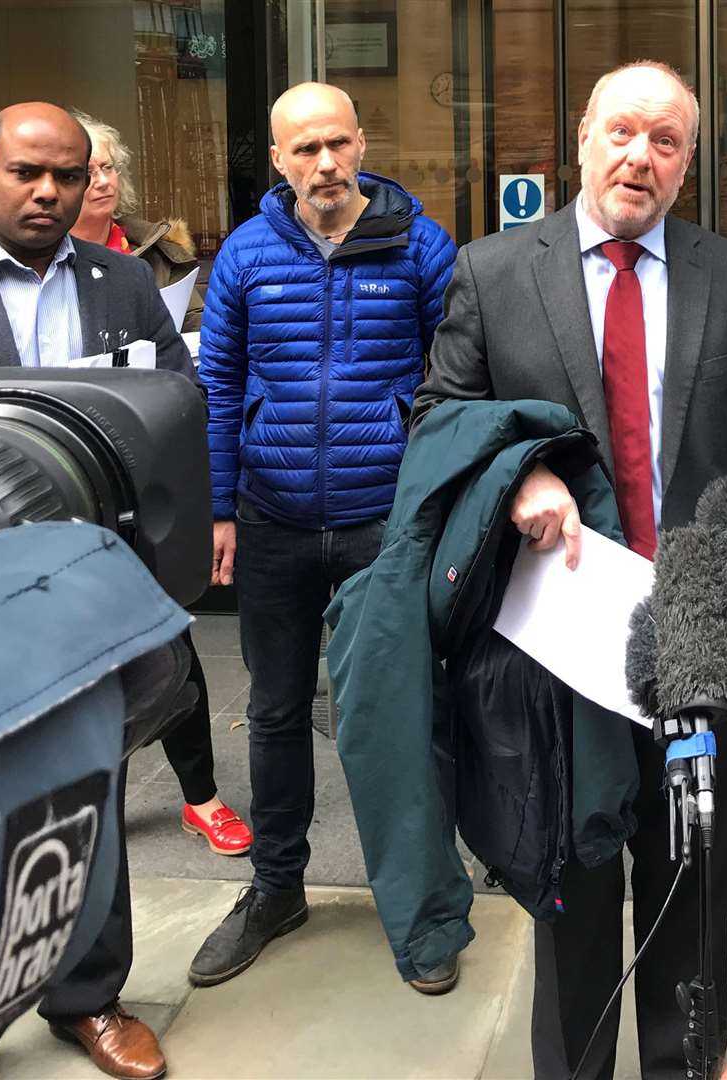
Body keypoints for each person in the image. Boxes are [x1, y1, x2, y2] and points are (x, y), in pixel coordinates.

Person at [414, 60, 727, 1078]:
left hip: (695, 652)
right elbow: (436, 422)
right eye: (623, 131)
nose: (641, 156)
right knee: (572, 901)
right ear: (581, 136)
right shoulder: (492, 273)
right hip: (557, 659)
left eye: (666, 140)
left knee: (690, 908)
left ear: (687, 160)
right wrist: (517, 477)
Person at [0, 101, 194, 1080]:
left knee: (89, 784)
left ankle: (88, 998)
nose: (46, 191)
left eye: (65, 174)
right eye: (25, 173)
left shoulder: (125, 280)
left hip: (92, 583)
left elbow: (174, 398)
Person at [191, 81, 457, 990]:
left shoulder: (418, 244)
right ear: (278, 160)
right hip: (271, 520)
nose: (325, 164)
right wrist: (221, 509)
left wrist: (431, 494)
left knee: (395, 716)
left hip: (383, 520)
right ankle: (276, 887)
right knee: (272, 711)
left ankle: (420, 910)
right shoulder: (246, 254)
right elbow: (219, 387)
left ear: (363, 142)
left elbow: (455, 377)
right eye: (304, 149)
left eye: (338, 144)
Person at [67, 108, 252, 860]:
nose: (105, 181)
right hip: (48, 492)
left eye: (109, 167)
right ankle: (85, 803)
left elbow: (184, 367)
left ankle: (200, 795)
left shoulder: (140, 261)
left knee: (169, 643)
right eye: (92, 170)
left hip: (136, 485)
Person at [68, 110, 205, 332]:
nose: (103, 181)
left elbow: (196, 328)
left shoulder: (160, 252)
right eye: (88, 172)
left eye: (107, 167)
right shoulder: (44, 257)